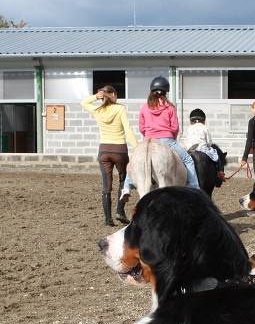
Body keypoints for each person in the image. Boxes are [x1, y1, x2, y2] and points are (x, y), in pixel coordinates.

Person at [121, 76, 200, 202]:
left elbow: (141, 127)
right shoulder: (169, 107)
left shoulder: (145, 107)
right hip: (167, 139)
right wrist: (171, 139)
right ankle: (194, 188)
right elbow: (175, 127)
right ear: (165, 92)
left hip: (148, 139)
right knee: (188, 159)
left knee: (132, 162)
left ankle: (126, 187)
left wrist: (147, 136)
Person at [82, 85, 137, 226]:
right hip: (120, 151)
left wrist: (95, 97)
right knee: (123, 180)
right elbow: (128, 128)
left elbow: (83, 103)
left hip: (104, 151)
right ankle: (120, 210)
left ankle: (108, 220)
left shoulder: (98, 110)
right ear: (113, 94)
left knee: (106, 186)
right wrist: (137, 146)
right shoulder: (120, 109)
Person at [183, 108, 224, 178]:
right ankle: (220, 172)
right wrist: (208, 145)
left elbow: (186, 140)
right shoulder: (205, 128)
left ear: (191, 121)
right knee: (217, 157)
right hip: (202, 149)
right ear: (203, 121)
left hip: (190, 150)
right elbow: (209, 141)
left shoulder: (189, 128)